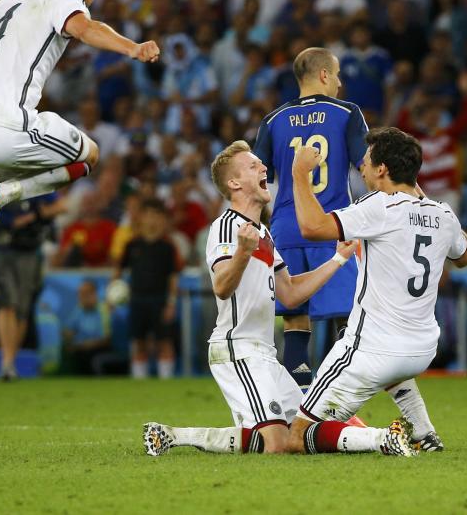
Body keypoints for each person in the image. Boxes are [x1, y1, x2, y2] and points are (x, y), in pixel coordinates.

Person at [143, 141, 411, 457]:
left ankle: (383, 439)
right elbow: (221, 286)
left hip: (266, 355)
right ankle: (177, 436)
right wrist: (243, 252)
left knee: (302, 432)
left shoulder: (264, 233)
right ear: (234, 183)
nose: (264, 169)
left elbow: (290, 292)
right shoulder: (227, 227)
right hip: (237, 350)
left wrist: (338, 260)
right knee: (278, 444)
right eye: (254, 166)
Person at [0, 0, 159, 254]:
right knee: (90, 156)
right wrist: (132, 48)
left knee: (28, 149)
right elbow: (84, 28)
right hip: (1, 126)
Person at [286, 127, 467, 455]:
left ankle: (384, 438)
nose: (362, 167)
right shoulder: (443, 213)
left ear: (382, 170)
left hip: (371, 352)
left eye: (367, 161)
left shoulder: (380, 207)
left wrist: (299, 173)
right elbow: (465, 255)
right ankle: (424, 432)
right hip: (422, 350)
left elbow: (312, 227)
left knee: (297, 436)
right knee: (391, 359)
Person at [251, 47, 366, 392]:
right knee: (347, 319)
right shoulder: (347, 113)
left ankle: (298, 401)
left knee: (295, 319)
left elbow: (256, 176)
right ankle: (338, 404)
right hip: (329, 226)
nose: (341, 83)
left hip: (285, 229)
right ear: (325, 75)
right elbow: (368, 166)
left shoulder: (272, 120)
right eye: (338, 74)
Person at [0, 192, 64, 380]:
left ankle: (10, 362)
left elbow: (61, 206)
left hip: (28, 249)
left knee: (21, 309)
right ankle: (6, 362)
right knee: (7, 303)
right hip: (1, 247)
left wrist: (32, 216)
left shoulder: (37, 179)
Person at [115, 198, 182, 379]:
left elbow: (173, 278)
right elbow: (119, 271)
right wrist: (112, 293)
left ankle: (165, 382)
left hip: (160, 300)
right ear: (141, 218)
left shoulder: (168, 247)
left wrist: (171, 303)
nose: (151, 219)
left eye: (156, 215)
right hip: (137, 299)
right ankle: (140, 382)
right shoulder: (132, 245)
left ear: (162, 219)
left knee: (164, 342)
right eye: (148, 215)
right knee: (138, 342)